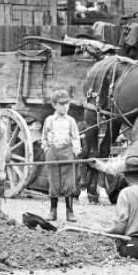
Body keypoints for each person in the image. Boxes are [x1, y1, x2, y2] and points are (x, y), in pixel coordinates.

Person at [42, 88, 81, 222]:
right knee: (54, 181)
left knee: (68, 182)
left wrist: (75, 150)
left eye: (67, 104)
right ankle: (53, 211)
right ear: (54, 105)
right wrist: (46, 149)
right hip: (53, 152)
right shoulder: (49, 120)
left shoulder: (70, 121)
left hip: (67, 152)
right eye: (62, 104)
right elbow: (44, 137)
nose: (65, 107)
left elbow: (76, 138)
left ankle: (69, 211)